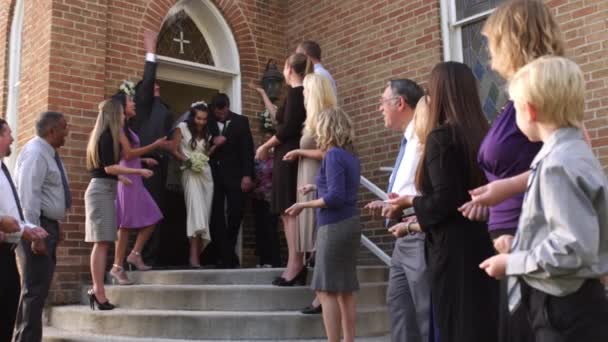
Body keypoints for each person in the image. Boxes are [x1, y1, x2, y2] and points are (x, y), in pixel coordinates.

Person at [480, 56, 608, 342]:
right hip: (576, 301)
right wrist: (523, 243)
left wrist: (512, 262)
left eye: (514, 107)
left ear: (530, 110)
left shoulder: (557, 166)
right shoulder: (576, 154)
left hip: (563, 309)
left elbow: (572, 249)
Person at [458, 2, 565, 341]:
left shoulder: (545, 84)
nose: (489, 58)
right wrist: (491, 197)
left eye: (492, 45)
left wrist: (505, 189)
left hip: (533, 239)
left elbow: (569, 157)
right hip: (510, 241)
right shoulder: (516, 94)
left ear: (512, 40)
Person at [386, 62, 499, 342]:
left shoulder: (441, 137)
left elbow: (445, 200)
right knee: (484, 322)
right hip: (484, 238)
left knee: (455, 324)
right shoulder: (483, 134)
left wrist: (409, 201)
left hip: (453, 248)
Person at [286, 107, 360, 342]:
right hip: (349, 224)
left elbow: (336, 198)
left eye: (319, 130)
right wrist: (314, 188)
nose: (317, 135)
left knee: (325, 289)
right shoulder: (349, 156)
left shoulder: (333, 155)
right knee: (344, 289)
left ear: (328, 130)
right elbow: (342, 191)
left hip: (335, 226)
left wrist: (303, 205)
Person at [365, 79, 428, 342]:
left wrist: (407, 204)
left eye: (382, 102)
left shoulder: (424, 139)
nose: (380, 109)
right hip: (401, 234)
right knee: (399, 308)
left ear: (399, 103)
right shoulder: (408, 140)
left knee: (424, 312)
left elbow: (434, 188)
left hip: (419, 232)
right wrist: (392, 206)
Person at [84, 98, 153, 310]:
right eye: (122, 113)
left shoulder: (107, 137)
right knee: (101, 243)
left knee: (103, 242)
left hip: (106, 189)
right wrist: (137, 171)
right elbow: (109, 169)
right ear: (115, 114)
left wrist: (120, 178)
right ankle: (99, 293)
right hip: (101, 192)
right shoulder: (105, 137)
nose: (125, 116)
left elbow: (106, 170)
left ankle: (98, 292)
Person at [12, 112, 70, 342]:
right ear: (52, 130)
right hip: (36, 228)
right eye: (64, 128)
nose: (68, 132)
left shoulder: (50, 154)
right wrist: (35, 234)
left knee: (37, 290)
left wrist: (57, 224)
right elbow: (28, 197)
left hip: (47, 225)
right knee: (34, 290)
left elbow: (49, 194)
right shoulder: (36, 154)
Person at [256, 53, 312, 285]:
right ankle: (294, 262)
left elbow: (288, 127)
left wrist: (265, 146)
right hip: (283, 154)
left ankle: (295, 264)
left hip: (289, 154)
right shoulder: (293, 95)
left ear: (289, 69)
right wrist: (262, 95)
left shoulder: (299, 93)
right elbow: (279, 116)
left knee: (290, 210)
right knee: (285, 211)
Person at [110, 85, 171, 286]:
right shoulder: (117, 128)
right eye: (130, 101)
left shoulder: (126, 127)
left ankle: (135, 254)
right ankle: (117, 267)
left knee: (154, 217)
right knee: (125, 226)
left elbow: (129, 153)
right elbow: (126, 155)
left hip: (135, 179)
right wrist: (154, 146)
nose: (133, 103)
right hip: (127, 180)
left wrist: (143, 159)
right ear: (121, 107)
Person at [0, 119, 48, 342]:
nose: (12, 138)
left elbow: (13, 216)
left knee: (8, 315)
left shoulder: (3, 169)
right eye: (8, 133)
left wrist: (30, 229)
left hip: (7, 254)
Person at [131, 30, 174, 267]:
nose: (155, 87)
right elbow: (147, 82)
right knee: (143, 212)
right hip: (142, 163)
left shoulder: (163, 107)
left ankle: (151, 257)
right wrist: (151, 53)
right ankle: (139, 255)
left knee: (157, 210)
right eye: (151, 86)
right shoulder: (142, 108)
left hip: (160, 164)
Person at [204, 93, 254, 268]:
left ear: (228, 106)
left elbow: (248, 150)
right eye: (217, 113)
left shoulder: (241, 121)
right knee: (216, 216)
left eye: (223, 112)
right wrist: (212, 140)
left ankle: (227, 252)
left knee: (236, 213)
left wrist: (247, 175)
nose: (220, 116)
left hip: (236, 175)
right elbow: (197, 141)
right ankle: (226, 257)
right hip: (213, 176)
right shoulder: (207, 120)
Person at [171, 101, 216, 267]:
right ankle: (193, 258)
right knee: (195, 213)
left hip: (205, 175)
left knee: (204, 214)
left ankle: (196, 255)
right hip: (189, 173)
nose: (201, 122)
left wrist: (213, 149)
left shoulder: (207, 133)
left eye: (204, 119)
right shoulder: (182, 128)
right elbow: (174, 150)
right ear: (192, 116)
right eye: (198, 118)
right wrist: (187, 160)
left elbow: (204, 154)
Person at [251, 130, 281, 268]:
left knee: (271, 229)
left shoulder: (277, 160)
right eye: (265, 140)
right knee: (260, 229)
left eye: (270, 140)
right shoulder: (257, 159)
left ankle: (274, 260)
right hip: (258, 198)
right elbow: (254, 177)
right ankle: (262, 260)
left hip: (272, 198)